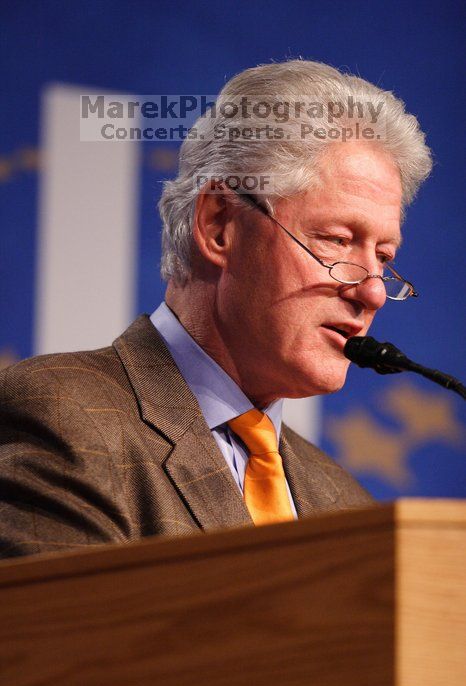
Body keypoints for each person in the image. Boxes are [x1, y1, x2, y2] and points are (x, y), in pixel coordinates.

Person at [0, 60, 432, 559]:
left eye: (383, 258)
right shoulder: (63, 419)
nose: (373, 292)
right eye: (337, 240)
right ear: (219, 226)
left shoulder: (345, 502)